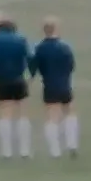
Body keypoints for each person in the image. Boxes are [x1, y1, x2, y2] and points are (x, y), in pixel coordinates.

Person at [29, 17, 78, 158]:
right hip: (64, 84)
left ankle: (54, 150)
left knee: (52, 117)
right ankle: (72, 144)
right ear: (56, 29)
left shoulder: (39, 48)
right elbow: (71, 66)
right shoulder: (65, 47)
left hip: (49, 85)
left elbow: (33, 68)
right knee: (69, 112)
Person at [0, 19, 33, 159]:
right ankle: (24, 150)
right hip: (19, 79)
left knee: (5, 114)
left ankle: (6, 150)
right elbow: (30, 57)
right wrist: (31, 75)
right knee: (23, 113)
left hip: (2, 79)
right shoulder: (21, 39)